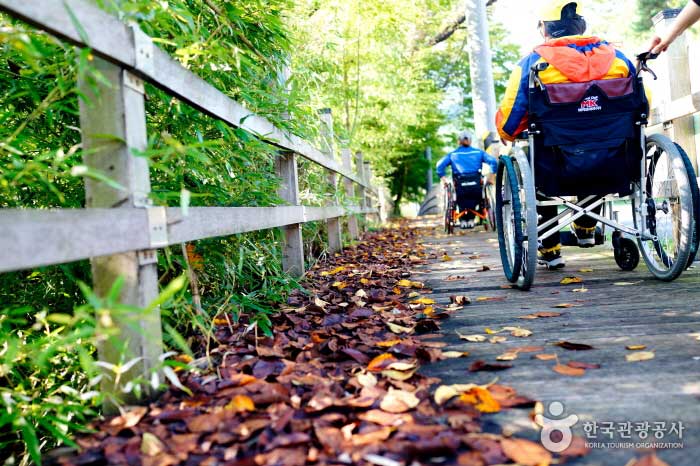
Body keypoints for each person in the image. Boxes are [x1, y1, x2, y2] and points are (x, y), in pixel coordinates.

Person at [495, 0, 638, 270]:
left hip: (555, 165)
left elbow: (512, 116)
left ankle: (550, 248)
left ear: (544, 30)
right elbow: (641, 105)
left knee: (537, 152)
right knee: (597, 146)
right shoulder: (618, 59)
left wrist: (506, 131)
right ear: (581, 25)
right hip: (615, 159)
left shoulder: (533, 63)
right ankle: (586, 226)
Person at [436, 130, 498, 229]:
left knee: (459, 197)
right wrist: (491, 177)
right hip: (476, 188)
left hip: (460, 188)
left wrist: (444, 179)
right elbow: (493, 162)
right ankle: (472, 219)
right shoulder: (478, 152)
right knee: (477, 196)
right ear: (470, 141)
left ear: (458, 141)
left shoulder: (453, 155)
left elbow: (439, 166)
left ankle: (463, 220)